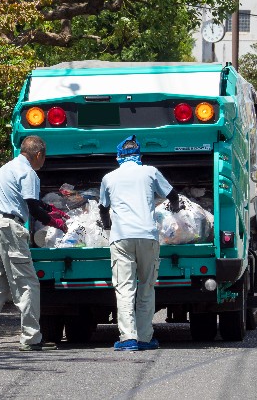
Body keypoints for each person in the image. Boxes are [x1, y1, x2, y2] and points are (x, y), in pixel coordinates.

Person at [0, 135, 69, 353]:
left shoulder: (7, 168)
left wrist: (51, 210)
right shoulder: (29, 172)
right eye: (44, 158)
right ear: (39, 155)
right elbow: (33, 209)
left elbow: (29, 202)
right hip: (8, 229)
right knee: (27, 283)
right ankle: (31, 338)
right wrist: (57, 223)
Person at [99, 135, 180, 352]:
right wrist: (175, 210)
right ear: (138, 156)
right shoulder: (150, 171)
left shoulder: (109, 178)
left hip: (121, 237)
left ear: (118, 157)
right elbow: (173, 195)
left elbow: (103, 208)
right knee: (146, 287)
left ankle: (128, 339)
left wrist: (107, 229)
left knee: (125, 288)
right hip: (147, 236)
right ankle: (145, 337)